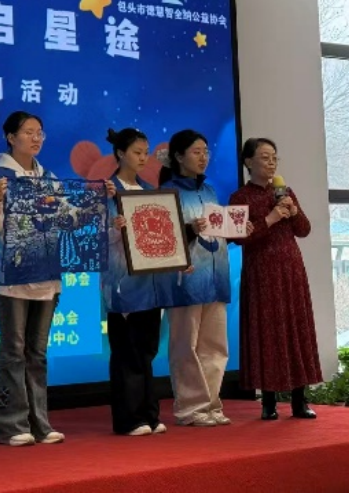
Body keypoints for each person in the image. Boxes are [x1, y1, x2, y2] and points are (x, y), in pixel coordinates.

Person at [0, 111, 66, 447]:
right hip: (12, 279)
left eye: (40, 132)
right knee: (14, 351)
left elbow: (64, 220)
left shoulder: (50, 178)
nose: (36, 137)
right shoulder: (0, 177)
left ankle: (39, 422)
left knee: (37, 353)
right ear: (10, 137)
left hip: (47, 276)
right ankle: (10, 424)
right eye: (28, 132)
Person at [229, 137, 322, 420]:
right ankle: (268, 401)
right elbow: (237, 238)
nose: (271, 163)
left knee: (295, 329)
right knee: (267, 332)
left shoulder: (285, 191)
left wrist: (292, 212)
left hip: (291, 269)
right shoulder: (240, 197)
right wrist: (269, 218)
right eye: (264, 157)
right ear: (248, 162)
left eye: (274, 158)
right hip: (261, 272)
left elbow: (304, 230)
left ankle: (299, 400)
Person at [158, 130, 246, 427]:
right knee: (186, 346)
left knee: (215, 346)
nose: (203, 157)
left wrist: (235, 231)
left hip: (216, 277)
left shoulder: (209, 191)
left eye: (206, 151)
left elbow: (214, 233)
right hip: (185, 281)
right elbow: (162, 240)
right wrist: (190, 230)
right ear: (178, 156)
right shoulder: (167, 192)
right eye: (196, 152)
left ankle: (211, 404)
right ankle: (190, 407)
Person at [101, 127, 167, 437]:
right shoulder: (107, 190)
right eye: (137, 152)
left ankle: (149, 414)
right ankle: (129, 418)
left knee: (147, 349)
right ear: (120, 153)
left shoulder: (148, 190)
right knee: (126, 350)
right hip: (122, 281)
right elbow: (95, 237)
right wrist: (114, 228)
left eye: (146, 153)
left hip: (149, 281)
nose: (143, 158)